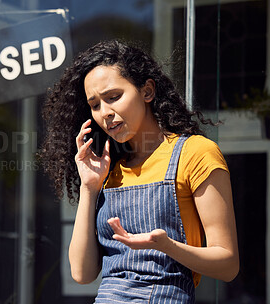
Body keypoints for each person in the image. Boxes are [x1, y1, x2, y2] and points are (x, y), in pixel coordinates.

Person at [40, 40, 239, 303]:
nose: (105, 113)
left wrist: (168, 247)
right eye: (95, 104)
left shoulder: (195, 153)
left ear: (147, 91)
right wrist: (89, 188)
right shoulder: (108, 169)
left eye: (114, 97)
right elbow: (82, 273)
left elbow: (228, 265)